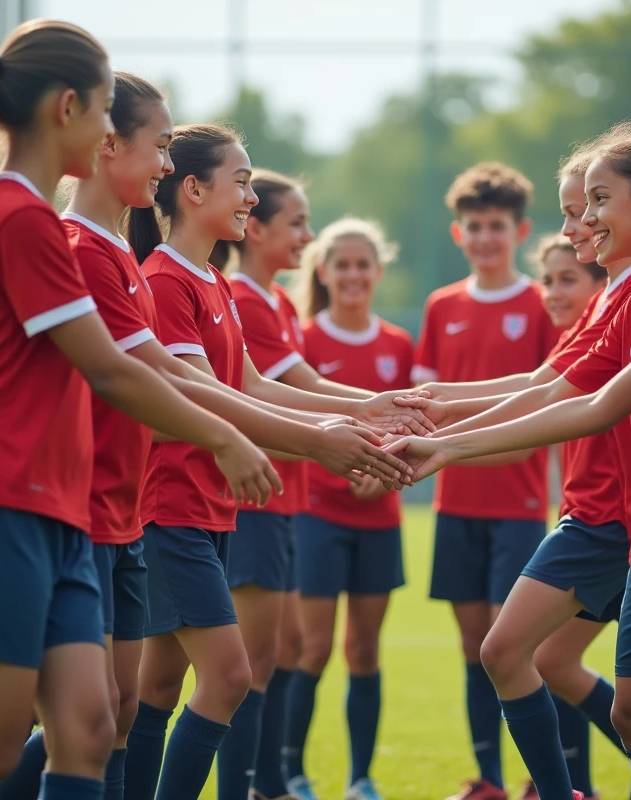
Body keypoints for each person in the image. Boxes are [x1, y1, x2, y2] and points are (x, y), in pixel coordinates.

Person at [0, 23, 284, 800]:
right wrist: (227, 437)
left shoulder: (56, 229)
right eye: (103, 113)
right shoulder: (24, 220)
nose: (156, 160)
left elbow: (139, 367)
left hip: (52, 511)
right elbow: (114, 370)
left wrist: (285, 433)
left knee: (92, 729)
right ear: (68, 110)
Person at [388, 123, 631, 800]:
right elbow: (550, 387)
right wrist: (439, 413)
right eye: (580, 207)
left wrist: (446, 442)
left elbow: (595, 407)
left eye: (595, 203)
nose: (583, 221)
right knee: (630, 709)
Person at [121, 124, 430, 800]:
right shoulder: (165, 282)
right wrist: (323, 438)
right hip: (171, 509)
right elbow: (208, 398)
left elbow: (255, 387)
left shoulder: (212, 282)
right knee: (230, 676)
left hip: (210, 510)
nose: (252, 198)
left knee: (157, 688)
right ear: (192, 189)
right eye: (241, 183)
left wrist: (359, 414)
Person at [219, 171, 436, 800]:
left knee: (282, 652)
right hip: (264, 503)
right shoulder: (244, 301)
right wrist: (369, 420)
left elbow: (295, 391)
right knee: (252, 664)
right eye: (297, 225)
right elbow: (281, 395)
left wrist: (372, 427)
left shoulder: (278, 305)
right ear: (256, 230)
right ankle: (265, 783)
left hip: (284, 504)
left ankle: (277, 783)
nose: (306, 236)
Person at [410, 162, 560, 800]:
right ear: (458, 233)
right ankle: (489, 781)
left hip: (518, 503)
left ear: (520, 231)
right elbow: (422, 403)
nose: (485, 238)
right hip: (455, 504)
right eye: (474, 227)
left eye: (496, 226)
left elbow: (554, 401)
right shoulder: (441, 305)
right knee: (474, 644)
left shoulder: (542, 303)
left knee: (515, 645)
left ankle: (547, 780)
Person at [275, 218, 414, 800]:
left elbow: (410, 424)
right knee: (312, 648)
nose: (353, 275)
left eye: (363, 265)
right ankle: (291, 772)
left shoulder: (398, 344)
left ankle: (361, 779)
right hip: (317, 514)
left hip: (378, 518)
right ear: (324, 272)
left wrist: (383, 477)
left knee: (364, 650)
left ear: (377, 272)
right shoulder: (304, 339)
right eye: (343, 265)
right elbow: (295, 420)